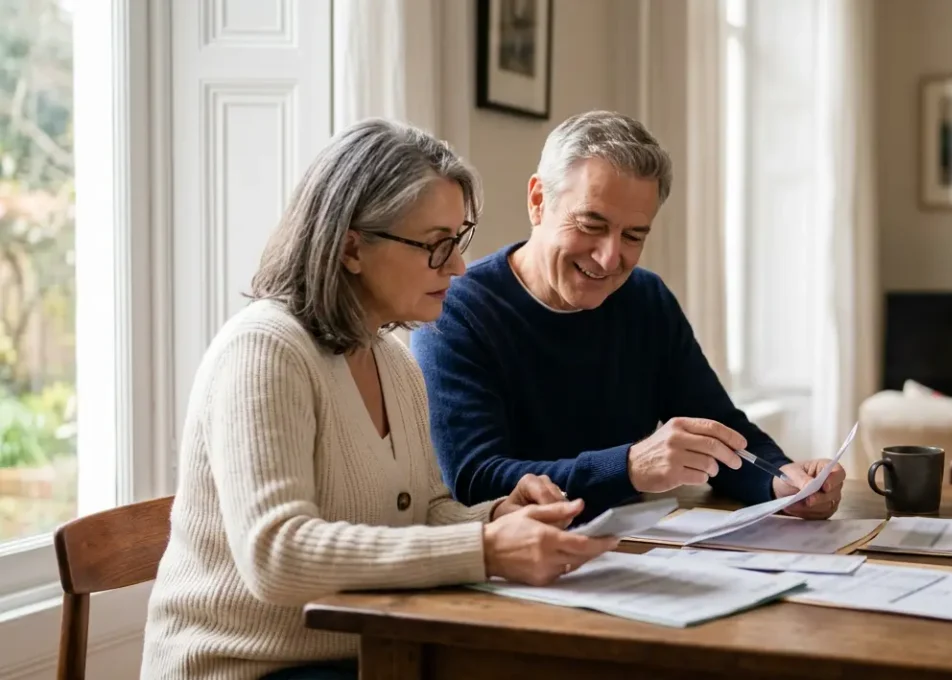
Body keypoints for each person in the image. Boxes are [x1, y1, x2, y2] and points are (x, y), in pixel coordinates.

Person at [140, 119, 618, 680]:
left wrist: (498, 514)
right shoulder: (264, 350)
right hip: (247, 668)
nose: (459, 267)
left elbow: (425, 511)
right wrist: (486, 550)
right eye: (437, 245)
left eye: (458, 240)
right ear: (351, 248)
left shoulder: (392, 358)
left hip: (365, 654)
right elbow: (276, 555)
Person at [410, 110, 845, 525]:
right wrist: (630, 467)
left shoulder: (645, 298)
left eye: (633, 235)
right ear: (539, 201)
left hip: (634, 552)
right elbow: (475, 479)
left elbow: (718, 431)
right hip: (514, 570)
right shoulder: (456, 311)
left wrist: (785, 482)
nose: (609, 257)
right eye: (591, 225)